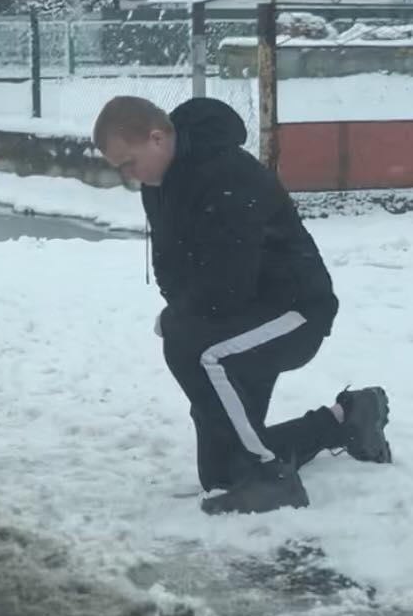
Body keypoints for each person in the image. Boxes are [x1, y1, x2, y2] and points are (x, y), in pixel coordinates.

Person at [93, 96, 392, 515]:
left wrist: (184, 321)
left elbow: (228, 283)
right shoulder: (158, 186)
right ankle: (348, 418)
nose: (128, 175)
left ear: (156, 138)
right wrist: (181, 311)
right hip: (242, 316)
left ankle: (269, 477)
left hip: (295, 312)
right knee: (222, 473)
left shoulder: (226, 174)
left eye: (128, 163)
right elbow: (170, 266)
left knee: (191, 346)